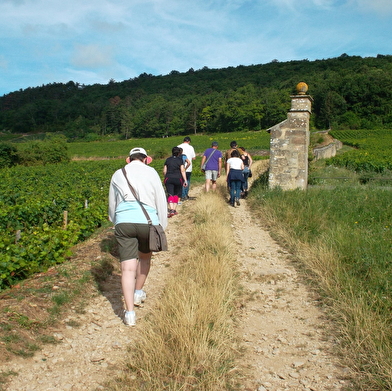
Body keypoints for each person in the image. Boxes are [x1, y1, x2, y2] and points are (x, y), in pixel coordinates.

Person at [108, 147, 168, 326]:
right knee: (144, 258)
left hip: (124, 222)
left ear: (128, 160)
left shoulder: (118, 174)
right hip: (148, 222)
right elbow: (160, 199)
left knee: (127, 268)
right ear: (146, 159)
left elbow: (112, 204)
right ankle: (138, 292)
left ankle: (129, 314)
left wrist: (115, 220)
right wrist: (161, 225)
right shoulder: (152, 173)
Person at [163, 146, 188, 217]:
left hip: (169, 178)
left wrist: (166, 177)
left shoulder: (168, 160)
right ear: (179, 153)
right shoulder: (180, 160)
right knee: (176, 194)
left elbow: (164, 171)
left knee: (170, 193)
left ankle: (171, 209)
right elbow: (182, 170)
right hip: (178, 178)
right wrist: (185, 180)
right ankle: (174, 209)